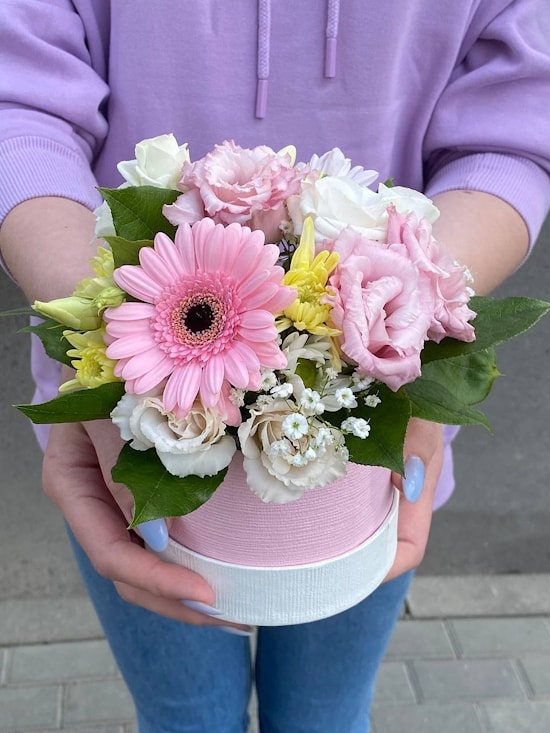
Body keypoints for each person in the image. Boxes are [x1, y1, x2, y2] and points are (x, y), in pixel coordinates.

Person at [1, 2, 549, 731]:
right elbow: (18, 102)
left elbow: (515, 124)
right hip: (125, 426)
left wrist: (402, 313)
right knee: (184, 719)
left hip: (370, 438)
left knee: (326, 718)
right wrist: (104, 340)